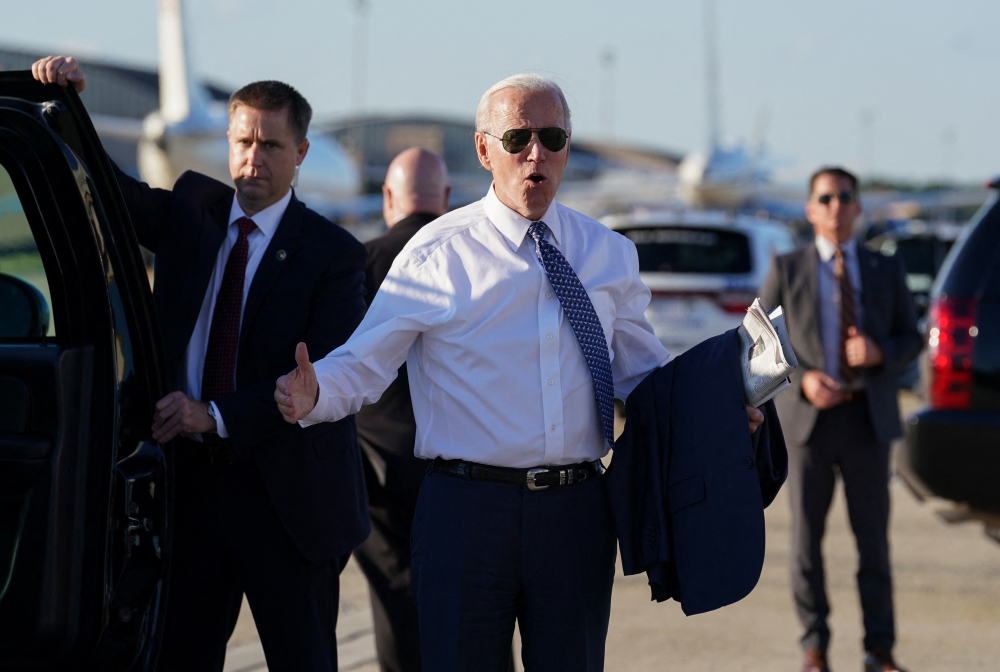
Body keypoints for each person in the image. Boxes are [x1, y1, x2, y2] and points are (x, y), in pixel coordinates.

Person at [275, 73, 764, 672]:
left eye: (552, 137)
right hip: (465, 514)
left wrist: (717, 412)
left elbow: (645, 378)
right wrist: (314, 390)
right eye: (518, 138)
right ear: (485, 151)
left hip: (577, 513)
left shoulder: (608, 253)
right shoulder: (435, 254)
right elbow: (366, 363)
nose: (537, 153)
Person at [32, 56, 370, 672]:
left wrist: (210, 413)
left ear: (300, 153)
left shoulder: (335, 256)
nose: (253, 158)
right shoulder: (194, 211)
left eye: (271, 144)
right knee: (180, 657)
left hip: (287, 502)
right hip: (191, 492)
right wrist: (66, 107)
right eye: (244, 140)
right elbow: (107, 195)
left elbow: (316, 380)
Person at [760, 167, 921, 672]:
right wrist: (804, 378)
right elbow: (760, 339)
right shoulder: (787, 267)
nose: (836, 206)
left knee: (872, 541)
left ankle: (879, 650)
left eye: (845, 197)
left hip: (867, 422)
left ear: (858, 207)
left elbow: (912, 338)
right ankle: (815, 649)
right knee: (807, 542)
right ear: (810, 210)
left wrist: (880, 351)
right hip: (808, 424)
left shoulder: (883, 269)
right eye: (825, 198)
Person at [354, 147, 450, 672]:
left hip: (379, 473)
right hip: (461, 470)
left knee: (396, 604)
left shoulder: (360, 262)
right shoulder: (468, 263)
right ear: (447, 199)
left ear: (389, 197)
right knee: (476, 608)